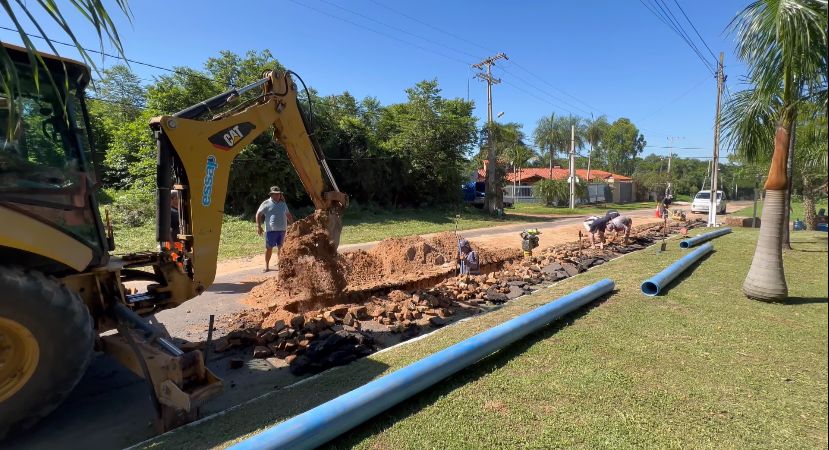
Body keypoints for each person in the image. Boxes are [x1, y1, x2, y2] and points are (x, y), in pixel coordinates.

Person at [256, 186, 294, 272]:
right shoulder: (266, 203)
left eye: (279, 194)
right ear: (272, 194)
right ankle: (266, 266)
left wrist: (293, 224)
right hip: (270, 231)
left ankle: (281, 265)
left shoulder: (283, 204)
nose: (278, 196)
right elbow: (258, 214)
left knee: (281, 248)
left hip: (282, 230)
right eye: (276, 194)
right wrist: (258, 226)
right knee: (269, 248)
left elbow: (288, 215)